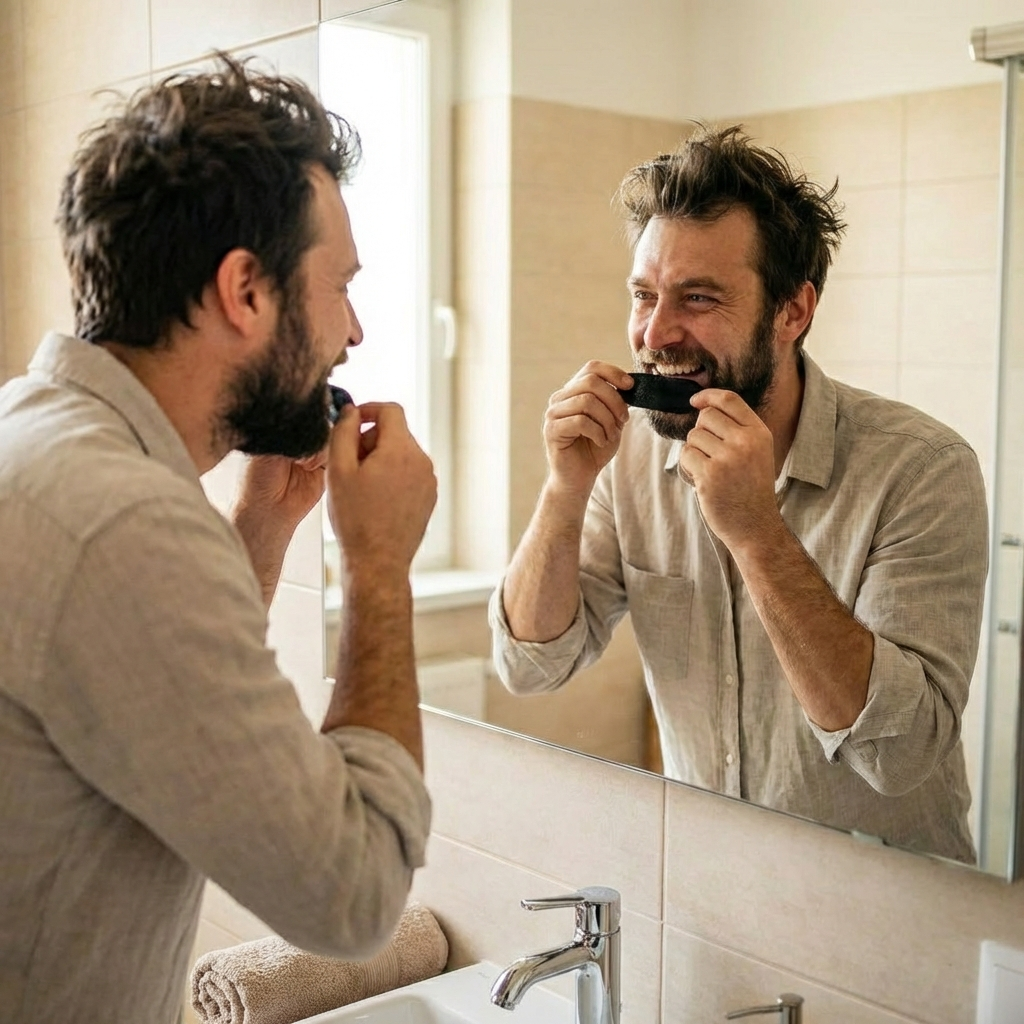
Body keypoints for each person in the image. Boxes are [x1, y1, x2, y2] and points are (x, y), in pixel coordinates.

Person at [0, 58, 438, 1024]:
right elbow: (353, 896)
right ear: (245, 290)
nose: (354, 332)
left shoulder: (33, 441)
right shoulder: (123, 522)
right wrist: (379, 569)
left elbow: (142, 695)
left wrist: (260, 530)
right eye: (340, 286)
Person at [490, 125, 988, 865]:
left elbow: (900, 754)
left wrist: (757, 532)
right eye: (644, 296)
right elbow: (529, 666)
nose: (657, 333)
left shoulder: (922, 470)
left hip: (889, 909)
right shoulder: (628, 460)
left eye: (698, 298)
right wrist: (567, 487)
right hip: (710, 887)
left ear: (793, 311)